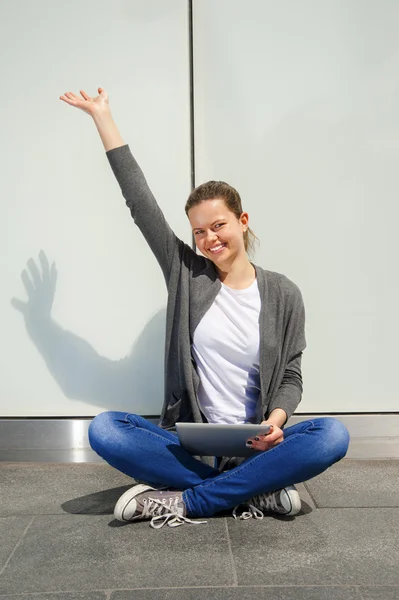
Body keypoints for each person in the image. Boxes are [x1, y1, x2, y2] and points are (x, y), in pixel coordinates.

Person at [60, 87, 350, 529]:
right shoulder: (186, 274)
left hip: (258, 446)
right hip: (193, 445)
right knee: (105, 428)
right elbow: (141, 205)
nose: (210, 239)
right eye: (199, 232)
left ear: (242, 221)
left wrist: (275, 423)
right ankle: (257, 491)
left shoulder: (283, 293)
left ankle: (189, 501)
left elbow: (290, 375)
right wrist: (103, 118)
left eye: (219, 225)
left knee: (332, 435)